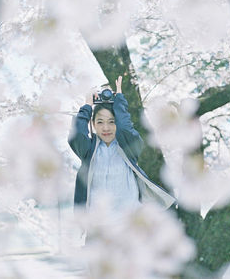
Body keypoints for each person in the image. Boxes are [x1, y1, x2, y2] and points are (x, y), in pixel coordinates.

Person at [68, 76, 175, 219]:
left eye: (111, 122)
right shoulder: (89, 150)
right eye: (100, 122)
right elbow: (77, 134)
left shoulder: (128, 147)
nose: (106, 128)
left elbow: (125, 127)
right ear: (93, 124)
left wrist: (119, 99)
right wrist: (87, 105)